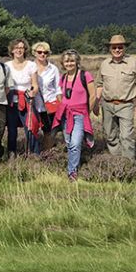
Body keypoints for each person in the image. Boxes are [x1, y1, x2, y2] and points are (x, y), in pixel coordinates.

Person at [95, 34, 136, 160]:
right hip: (107, 105)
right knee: (110, 135)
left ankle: (129, 166)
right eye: (114, 47)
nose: (117, 50)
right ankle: (118, 162)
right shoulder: (104, 64)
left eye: (120, 47)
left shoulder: (134, 63)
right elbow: (99, 85)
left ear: (124, 48)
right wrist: (96, 104)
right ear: (110, 49)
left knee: (126, 136)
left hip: (126, 105)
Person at [53, 50, 96, 182]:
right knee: (69, 143)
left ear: (77, 62)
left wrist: (87, 112)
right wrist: (63, 104)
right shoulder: (63, 78)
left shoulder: (85, 75)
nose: (69, 63)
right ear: (63, 63)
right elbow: (59, 94)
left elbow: (93, 95)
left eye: (72, 61)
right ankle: (74, 166)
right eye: (67, 61)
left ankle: (72, 172)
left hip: (80, 114)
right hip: (66, 114)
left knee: (75, 143)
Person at [5, 38, 42, 156]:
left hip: (26, 101)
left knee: (30, 128)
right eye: (16, 48)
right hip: (11, 101)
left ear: (25, 49)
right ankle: (11, 153)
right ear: (12, 50)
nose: (19, 50)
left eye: (21, 48)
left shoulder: (31, 65)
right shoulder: (6, 66)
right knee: (11, 130)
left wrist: (33, 93)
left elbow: (35, 85)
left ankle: (34, 154)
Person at [33, 42, 62, 149]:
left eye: (45, 52)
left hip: (49, 104)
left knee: (48, 131)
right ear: (34, 53)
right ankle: (33, 152)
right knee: (33, 130)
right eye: (39, 52)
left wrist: (60, 104)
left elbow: (58, 88)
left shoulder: (53, 69)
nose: (42, 54)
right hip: (34, 105)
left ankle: (47, 153)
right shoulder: (30, 67)